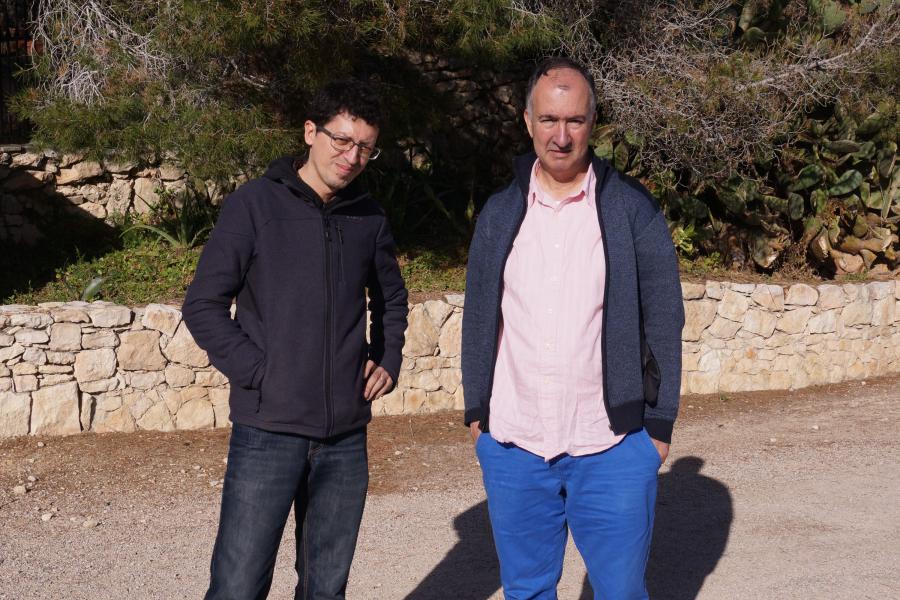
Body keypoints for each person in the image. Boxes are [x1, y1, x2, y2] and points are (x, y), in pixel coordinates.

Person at [461, 57, 685, 599]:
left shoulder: (631, 209)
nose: (560, 137)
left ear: (592, 123)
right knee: (527, 591)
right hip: (514, 445)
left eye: (574, 121)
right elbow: (479, 315)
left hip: (611, 445)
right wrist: (478, 414)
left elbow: (664, 316)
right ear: (527, 121)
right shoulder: (499, 212)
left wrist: (657, 428)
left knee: (620, 593)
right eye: (548, 120)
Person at [182, 78, 408, 600]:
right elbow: (203, 305)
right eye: (341, 140)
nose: (352, 157)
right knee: (238, 586)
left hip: (345, 438)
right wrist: (261, 373)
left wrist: (387, 357)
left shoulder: (368, 216)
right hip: (268, 430)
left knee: (325, 588)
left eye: (365, 148)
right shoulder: (254, 205)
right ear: (310, 132)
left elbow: (392, 299)